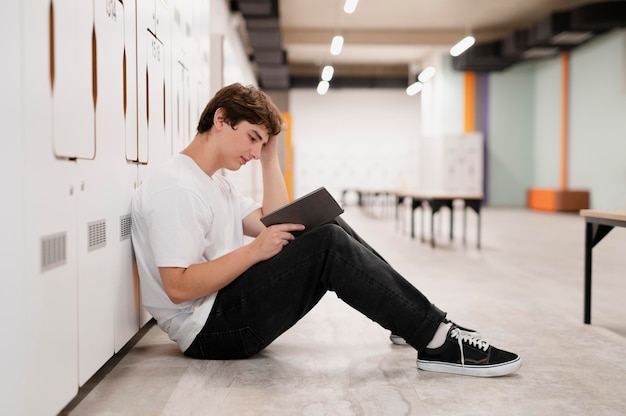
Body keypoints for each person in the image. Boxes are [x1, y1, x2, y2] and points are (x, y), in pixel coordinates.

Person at [130, 83, 522, 377]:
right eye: (252, 138)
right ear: (220, 119)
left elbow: (276, 218)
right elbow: (178, 286)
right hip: (209, 331)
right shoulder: (176, 187)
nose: (252, 151)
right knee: (327, 244)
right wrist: (253, 251)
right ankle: (435, 339)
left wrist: (270, 159)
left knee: (322, 223)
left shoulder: (215, 182)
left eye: (259, 144)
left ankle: (415, 323)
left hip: (225, 308)